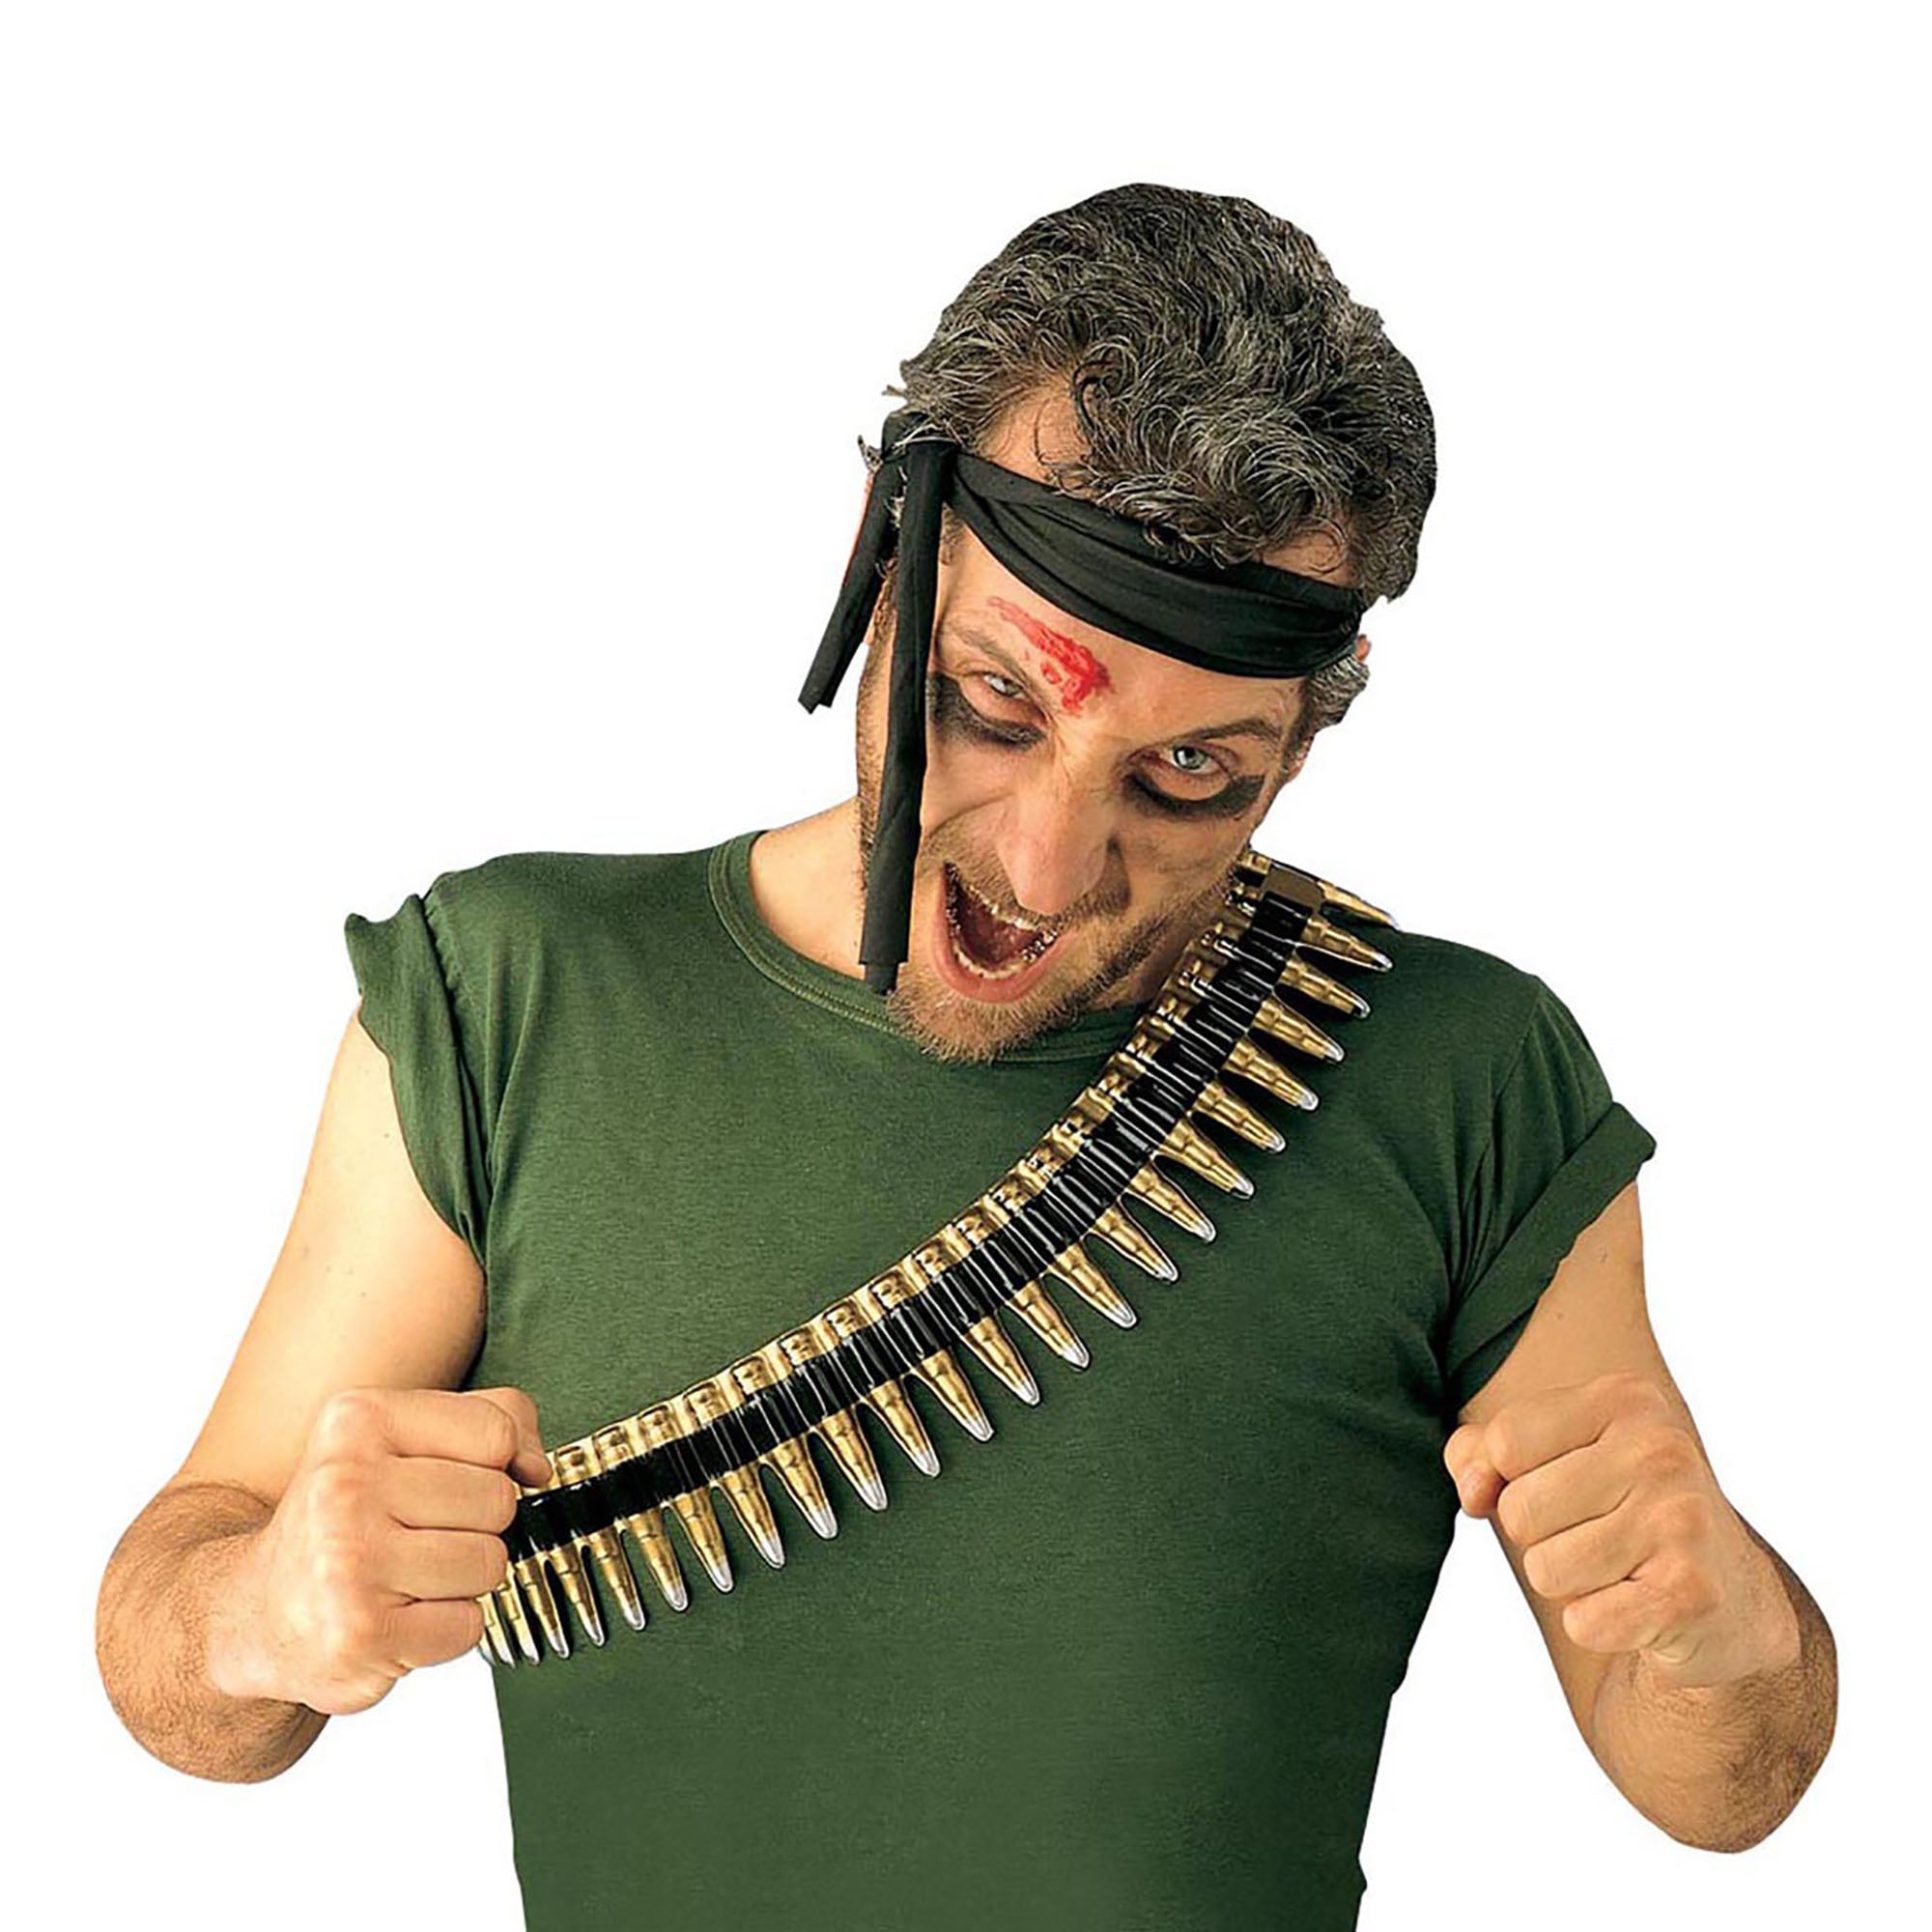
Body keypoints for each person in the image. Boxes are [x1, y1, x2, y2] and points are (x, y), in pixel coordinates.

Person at [95, 183, 1835, 1930]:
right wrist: (260, 1611)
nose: (1048, 870)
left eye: (1192, 775)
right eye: (999, 703)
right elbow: (186, 1678)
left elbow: (1719, 1790)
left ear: (1305, 736)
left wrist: (1729, 1629)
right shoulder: (506, 1000)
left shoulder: (1464, 1079)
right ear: (883, 555)